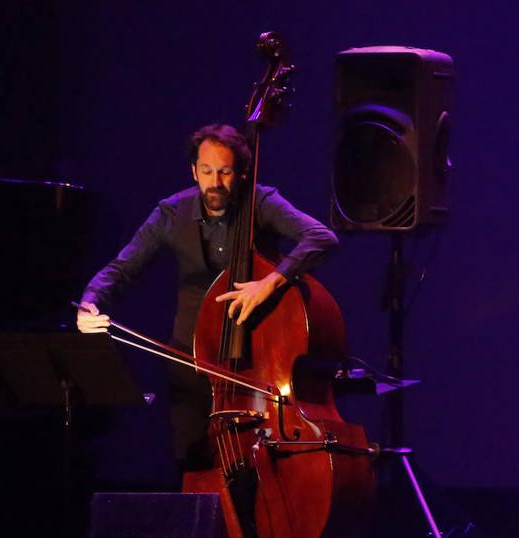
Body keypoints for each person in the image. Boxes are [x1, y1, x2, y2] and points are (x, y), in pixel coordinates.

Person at [76, 123, 338, 472]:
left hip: (254, 363)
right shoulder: (172, 212)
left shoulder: (261, 201)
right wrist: (90, 301)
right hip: (189, 359)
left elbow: (321, 237)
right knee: (192, 463)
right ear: (193, 170)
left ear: (242, 173)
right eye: (207, 171)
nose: (215, 183)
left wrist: (271, 281)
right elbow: (123, 268)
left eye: (225, 172)